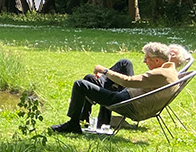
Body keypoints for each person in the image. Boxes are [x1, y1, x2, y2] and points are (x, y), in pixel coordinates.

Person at [51, 42, 179, 134]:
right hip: (132, 99)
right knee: (123, 64)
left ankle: (73, 124)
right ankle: (92, 109)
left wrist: (105, 71)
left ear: (157, 60)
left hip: (127, 103)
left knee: (80, 84)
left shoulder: (160, 74)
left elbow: (128, 81)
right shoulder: (170, 72)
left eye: (147, 59)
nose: (144, 62)